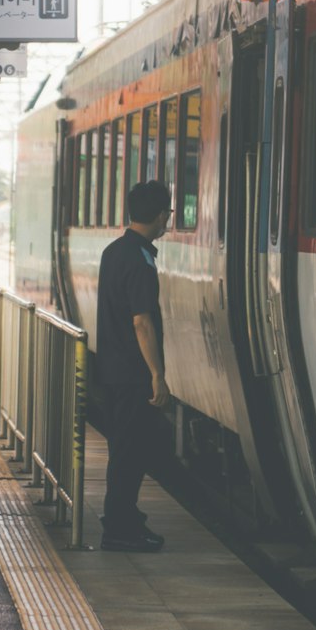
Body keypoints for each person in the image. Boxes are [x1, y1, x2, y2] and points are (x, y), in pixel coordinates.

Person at [94, 178, 174, 552]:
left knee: (123, 450)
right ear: (161, 216)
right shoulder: (142, 261)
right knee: (131, 453)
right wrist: (157, 375)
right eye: (167, 214)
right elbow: (141, 321)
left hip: (111, 370)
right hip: (132, 375)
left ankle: (121, 516)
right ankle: (120, 528)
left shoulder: (114, 251)